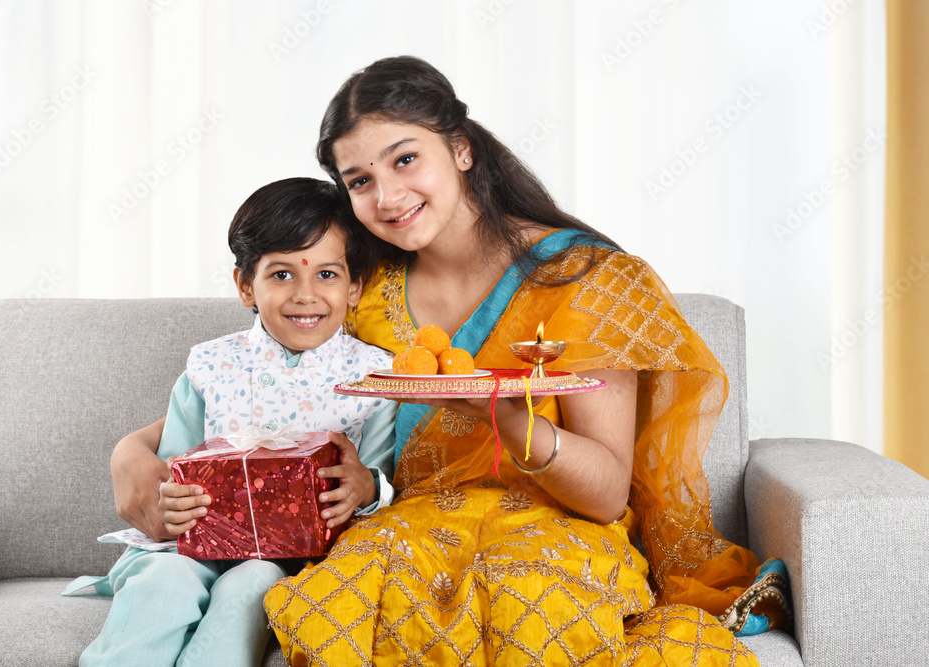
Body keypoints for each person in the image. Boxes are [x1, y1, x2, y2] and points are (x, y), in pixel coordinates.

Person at [129, 57, 790, 665]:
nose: (386, 197)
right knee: (342, 603)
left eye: (405, 159)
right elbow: (249, 399)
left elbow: (607, 491)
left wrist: (499, 411)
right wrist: (131, 457)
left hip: (555, 532)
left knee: (530, 610)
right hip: (410, 527)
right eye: (360, 180)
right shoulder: (362, 291)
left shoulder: (580, 279)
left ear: (462, 148)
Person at [67, 177, 398, 667]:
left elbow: (381, 479)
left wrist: (365, 487)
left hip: (292, 559)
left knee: (252, 584)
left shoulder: (376, 378)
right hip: (194, 546)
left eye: (326, 275)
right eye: (281, 275)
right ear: (246, 285)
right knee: (164, 581)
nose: (305, 295)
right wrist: (172, 501)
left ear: (355, 287)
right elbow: (174, 468)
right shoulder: (209, 365)